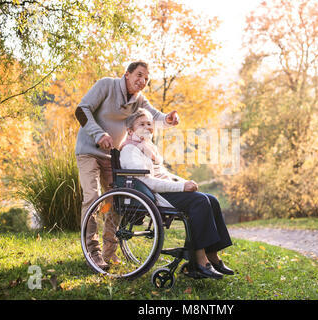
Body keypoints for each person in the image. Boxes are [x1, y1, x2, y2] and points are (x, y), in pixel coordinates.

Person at [75, 61, 179, 270]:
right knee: (93, 198)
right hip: (88, 152)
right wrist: (99, 134)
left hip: (111, 156)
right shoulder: (107, 85)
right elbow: (81, 110)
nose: (142, 81)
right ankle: (92, 252)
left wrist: (168, 119)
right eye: (139, 75)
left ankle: (109, 252)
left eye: (146, 79)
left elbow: (154, 116)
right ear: (127, 74)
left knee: (118, 202)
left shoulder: (138, 99)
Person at [119, 108, 234, 279]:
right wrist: (181, 187)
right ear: (130, 130)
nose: (147, 127)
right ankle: (200, 261)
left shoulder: (147, 146)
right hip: (152, 193)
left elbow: (162, 173)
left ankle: (212, 254)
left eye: (149, 124)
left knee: (212, 199)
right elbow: (148, 181)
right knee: (200, 202)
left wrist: (183, 182)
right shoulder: (130, 150)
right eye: (141, 124)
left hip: (162, 188)